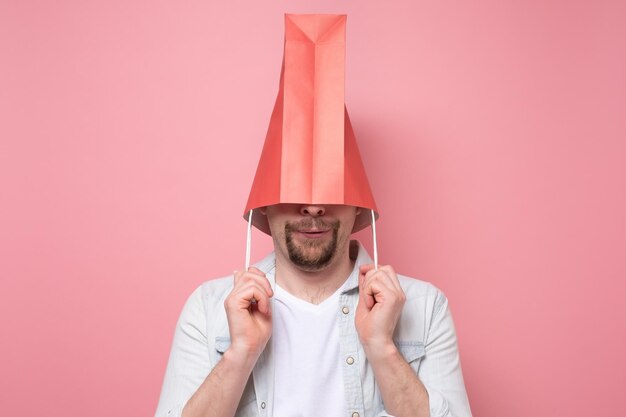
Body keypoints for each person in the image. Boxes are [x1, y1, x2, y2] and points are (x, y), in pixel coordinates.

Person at [154, 14, 472, 417]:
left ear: (358, 205)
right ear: (264, 205)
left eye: (331, 190)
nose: (313, 207)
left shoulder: (425, 308)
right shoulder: (208, 308)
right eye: (293, 191)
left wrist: (383, 348)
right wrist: (239, 354)